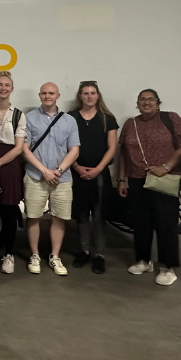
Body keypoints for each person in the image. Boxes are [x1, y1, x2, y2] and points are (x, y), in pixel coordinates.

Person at [118, 89, 181, 285]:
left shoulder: (170, 118)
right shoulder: (130, 124)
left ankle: (167, 267)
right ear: (137, 103)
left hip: (163, 180)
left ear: (158, 103)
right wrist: (121, 180)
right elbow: (123, 152)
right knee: (141, 224)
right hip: (137, 180)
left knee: (166, 224)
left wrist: (165, 167)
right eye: (142, 99)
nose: (146, 102)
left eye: (150, 99)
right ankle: (143, 260)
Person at [22, 82, 80, 276]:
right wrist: (44, 171)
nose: (48, 96)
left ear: (58, 95)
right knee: (33, 216)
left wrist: (59, 170)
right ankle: (35, 255)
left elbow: (74, 150)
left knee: (59, 217)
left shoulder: (69, 121)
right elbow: (24, 148)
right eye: (44, 93)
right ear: (39, 95)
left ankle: (55, 256)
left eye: (51, 93)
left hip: (62, 178)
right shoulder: (28, 118)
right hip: (35, 175)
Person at [69, 81, 119, 274]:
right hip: (76, 172)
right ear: (79, 96)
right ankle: (84, 250)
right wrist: (76, 166)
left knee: (98, 216)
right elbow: (65, 145)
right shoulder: (71, 117)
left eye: (92, 93)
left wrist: (98, 169)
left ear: (98, 96)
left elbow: (112, 148)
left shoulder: (107, 118)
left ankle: (99, 255)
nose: (89, 96)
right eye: (85, 93)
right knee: (81, 214)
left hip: (99, 173)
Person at [0, 71, 27, 274]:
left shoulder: (19, 115)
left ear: (11, 89)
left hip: (9, 165)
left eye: (6, 85)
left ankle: (8, 253)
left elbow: (19, 148)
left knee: (9, 211)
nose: (3, 88)